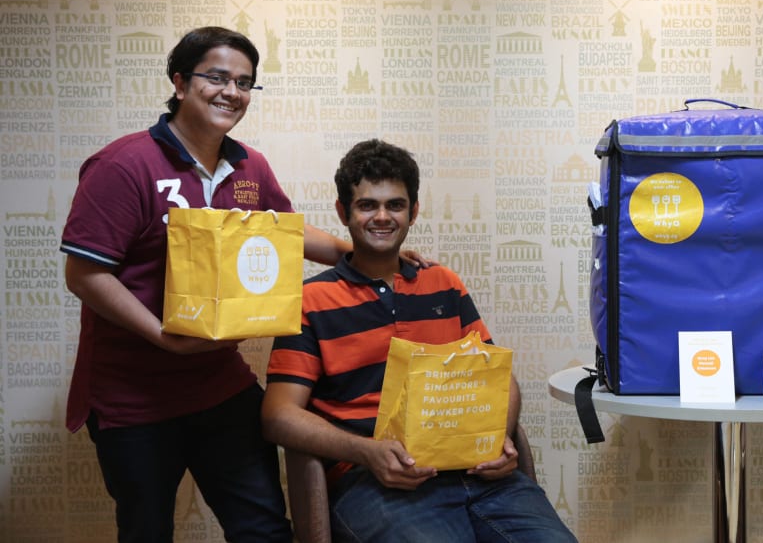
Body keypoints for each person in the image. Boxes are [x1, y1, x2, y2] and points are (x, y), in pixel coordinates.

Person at [60, 28, 428, 543]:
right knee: (146, 531)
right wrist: (163, 336)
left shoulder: (249, 166)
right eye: (217, 77)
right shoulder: (124, 165)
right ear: (180, 82)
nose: (231, 91)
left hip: (218, 384)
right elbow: (84, 273)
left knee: (263, 529)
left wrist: (367, 251)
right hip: (133, 397)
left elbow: (289, 231)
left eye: (244, 82)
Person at [262, 139, 577, 543]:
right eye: (367, 205)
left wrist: (499, 432)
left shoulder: (443, 284)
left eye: (395, 205)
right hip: (374, 483)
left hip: (476, 473)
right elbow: (278, 416)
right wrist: (367, 452)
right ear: (343, 212)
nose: (382, 216)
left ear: (414, 211)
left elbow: (499, 379)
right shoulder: (310, 301)